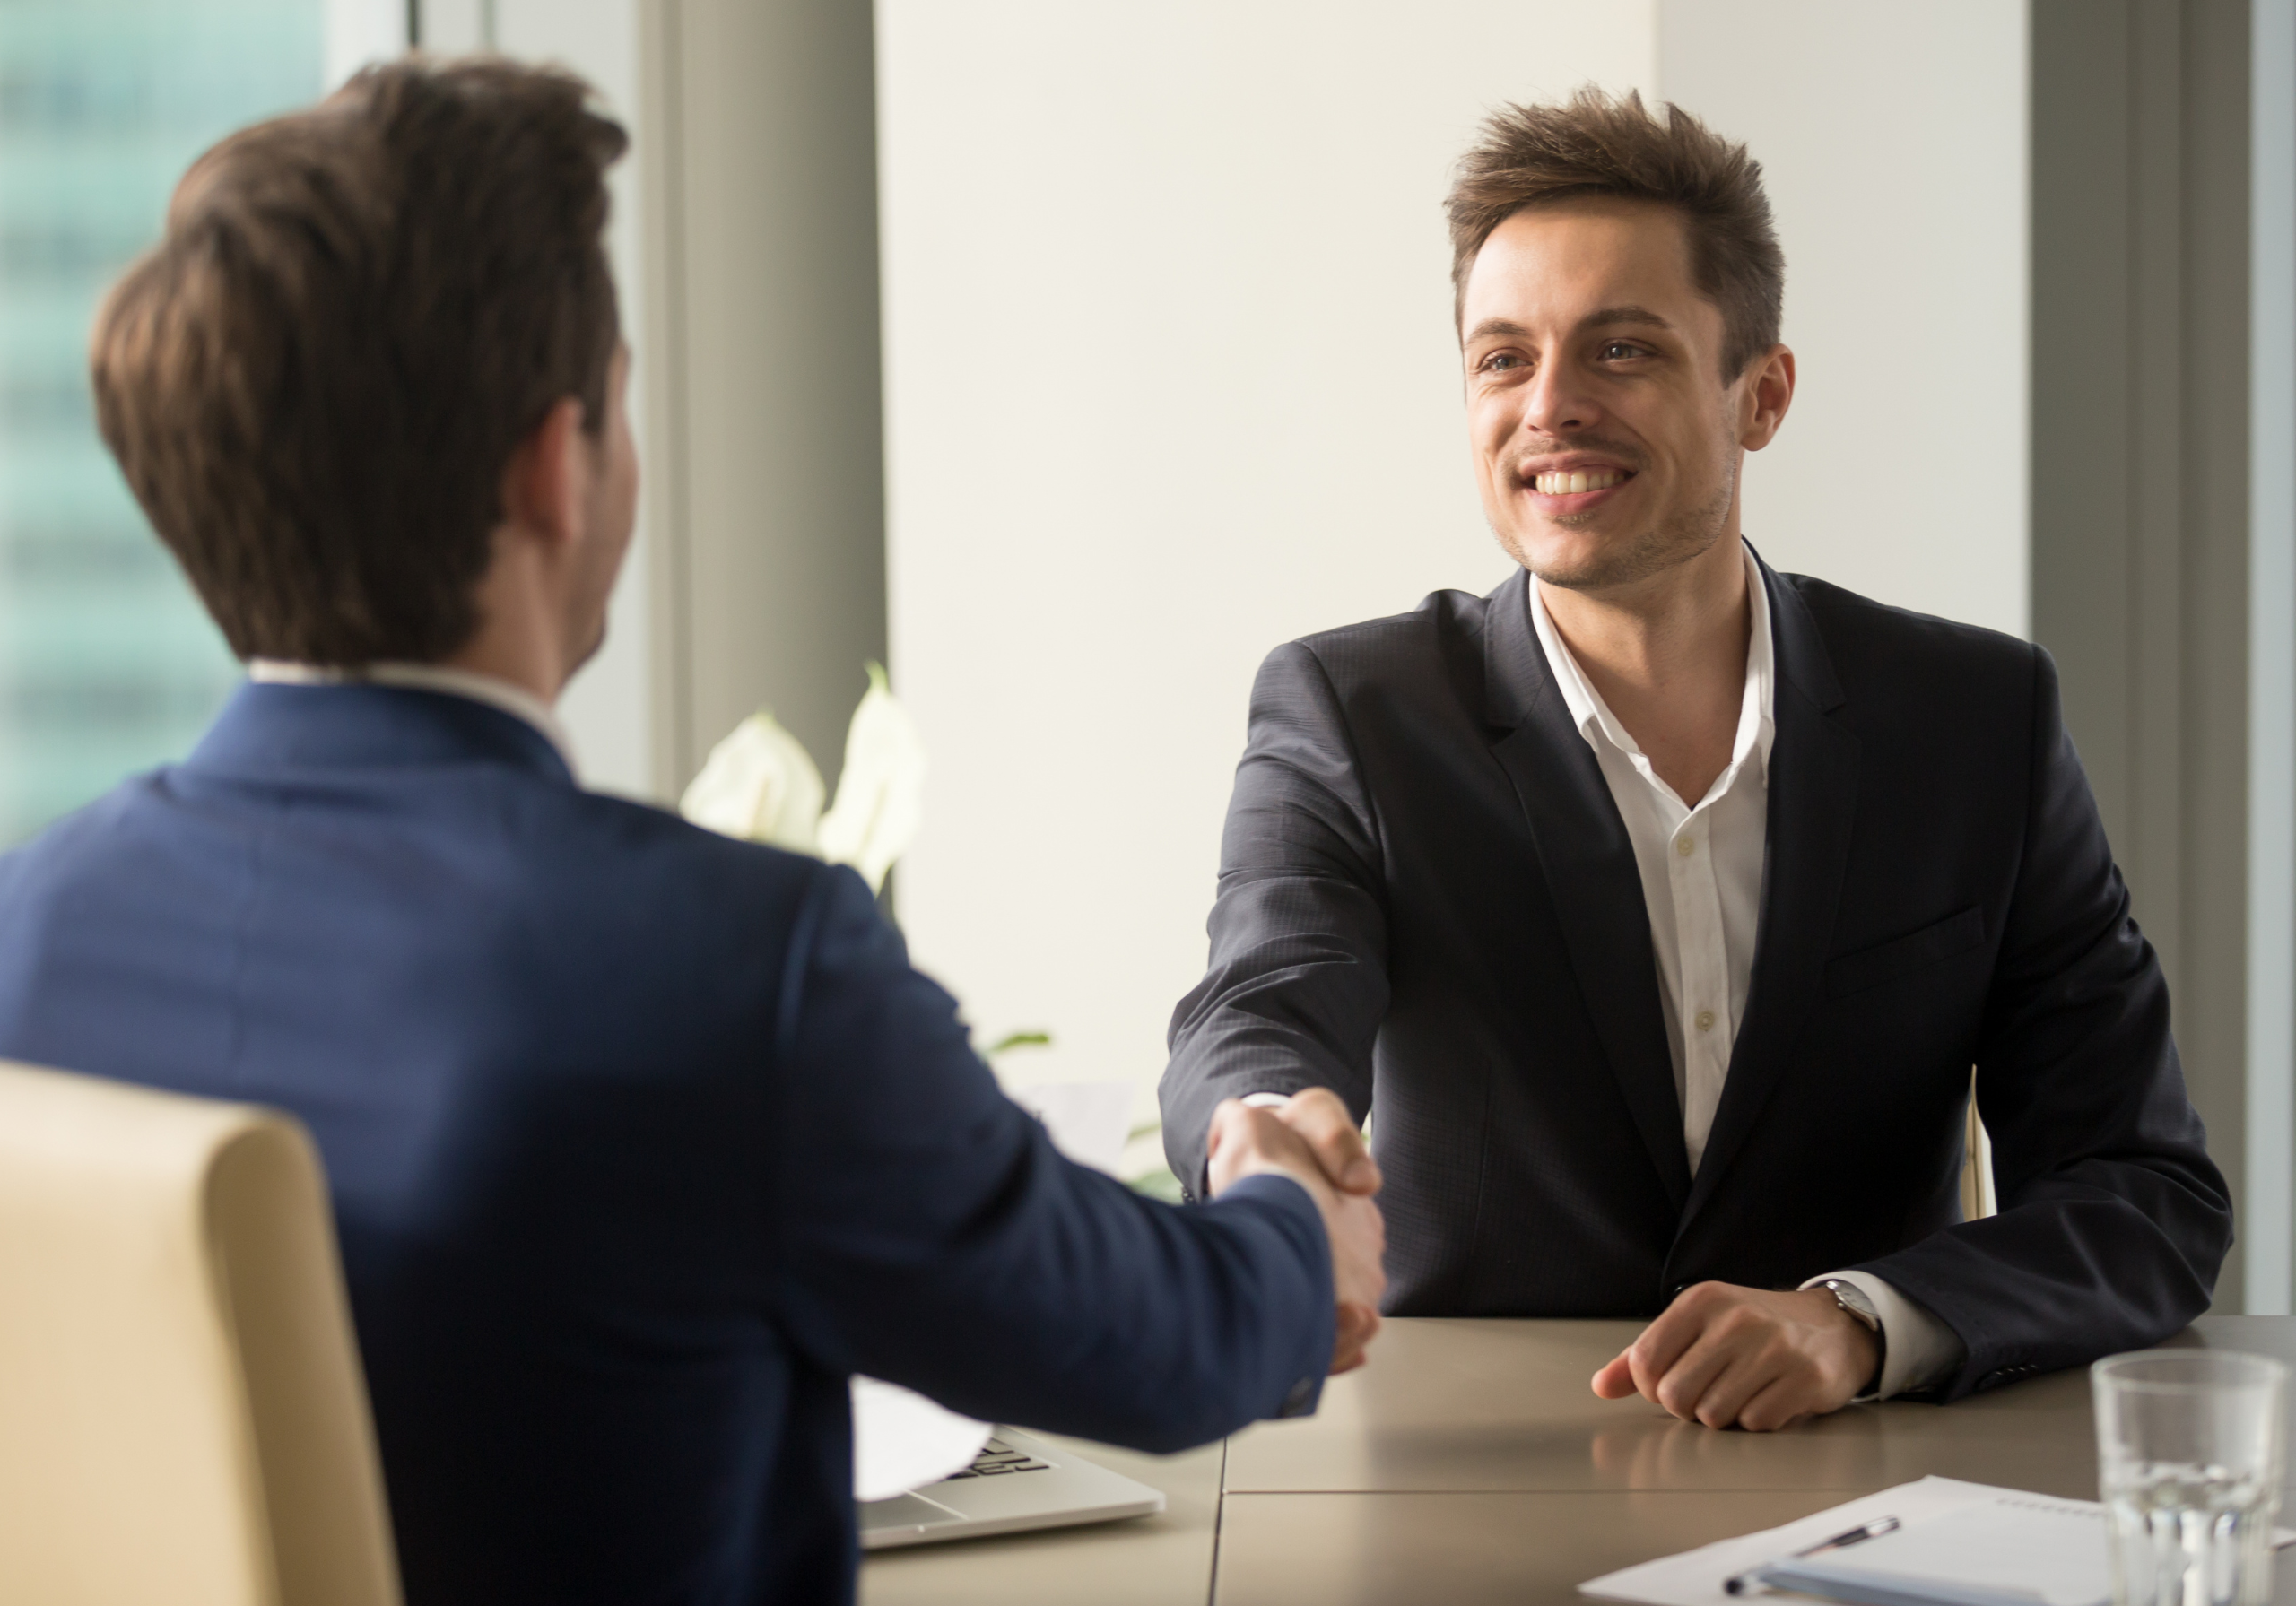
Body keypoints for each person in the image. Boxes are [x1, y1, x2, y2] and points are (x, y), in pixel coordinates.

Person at [0, 59, 1387, 1605]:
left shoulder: (27, 930)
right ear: (555, 461)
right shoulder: (728, 967)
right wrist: (1289, 1213)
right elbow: (1153, 1341)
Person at [1160, 87, 2231, 1433]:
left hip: (1868, 1498)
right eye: (1503, 359)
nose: (1548, 408)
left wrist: (1861, 1320)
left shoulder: (1974, 720)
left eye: (1620, 352)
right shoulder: (1351, 709)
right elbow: (1261, 997)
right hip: (1473, 1483)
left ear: (1762, 394)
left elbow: (2144, 1193)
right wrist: (1262, 1133)